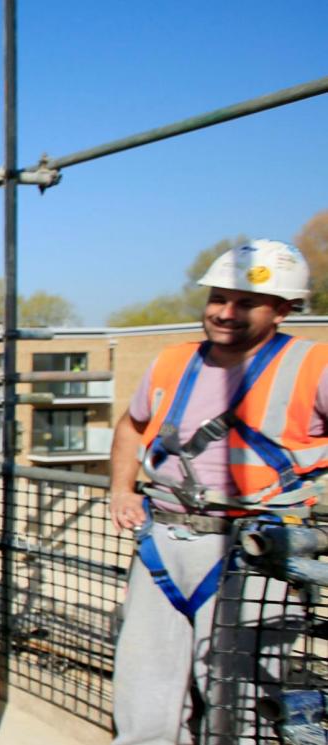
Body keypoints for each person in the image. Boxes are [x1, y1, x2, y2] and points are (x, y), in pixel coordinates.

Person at [108, 239, 328, 744]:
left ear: (284, 308)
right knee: (143, 694)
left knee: (242, 700)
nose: (225, 313)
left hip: (255, 553)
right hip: (163, 541)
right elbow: (130, 425)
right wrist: (121, 489)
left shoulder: (312, 366)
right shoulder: (173, 361)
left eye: (245, 302)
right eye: (218, 299)